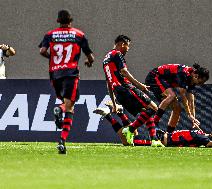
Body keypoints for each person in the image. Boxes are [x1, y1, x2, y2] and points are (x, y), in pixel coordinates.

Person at [39, 10, 95, 154]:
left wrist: (52, 58)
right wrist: (88, 61)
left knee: (65, 101)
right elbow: (91, 57)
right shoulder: (79, 35)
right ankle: (62, 139)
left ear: (58, 20)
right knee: (69, 107)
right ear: (71, 21)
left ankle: (62, 140)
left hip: (55, 74)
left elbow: (42, 51)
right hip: (71, 73)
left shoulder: (50, 34)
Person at [101, 35, 163, 147]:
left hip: (118, 92)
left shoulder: (106, 59)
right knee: (154, 108)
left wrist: (114, 103)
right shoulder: (117, 54)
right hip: (126, 88)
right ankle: (130, 129)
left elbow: (108, 83)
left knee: (146, 110)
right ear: (122, 44)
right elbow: (124, 71)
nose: (128, 49)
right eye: (127, 46)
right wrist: (140, 86)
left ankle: (154, 140)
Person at [145, 63, 209, 133]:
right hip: (154, 76)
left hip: (164, 81)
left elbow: (191, 100)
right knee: (172, 95)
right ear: (196, 76)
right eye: (200, 82)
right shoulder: (183, 74)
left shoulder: (192, 79)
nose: (200, 84)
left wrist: (193, 118)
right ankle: (154, 123)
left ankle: (169, 134)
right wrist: (189, 114)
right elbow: (183, 96)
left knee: (177, 108)